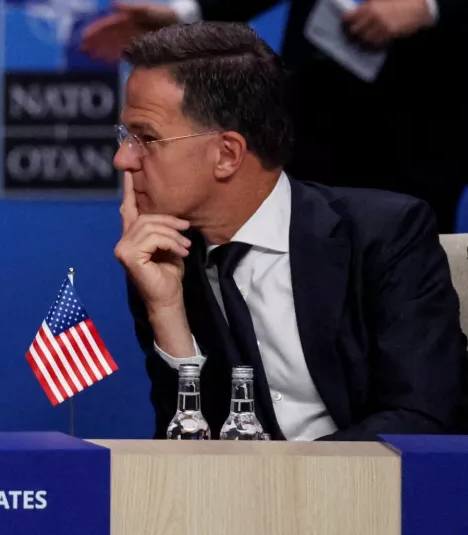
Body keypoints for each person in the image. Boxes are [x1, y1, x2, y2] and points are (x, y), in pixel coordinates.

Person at [112, 22, 467, 440]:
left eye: (146, 138)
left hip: (376, 497)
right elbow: (190, 457)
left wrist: (288, 482)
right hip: (237, 503)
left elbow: (422, 418)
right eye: (125, 136)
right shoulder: (164, 262)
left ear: (227, 154)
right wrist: (167, 313)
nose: (123, 160)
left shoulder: (383, 235)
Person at [82, 0, 468, 233]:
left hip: (425, 117)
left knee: (409, 275)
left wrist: (430, 6)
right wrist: (190, 12)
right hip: (312, 110)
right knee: (302, 255)